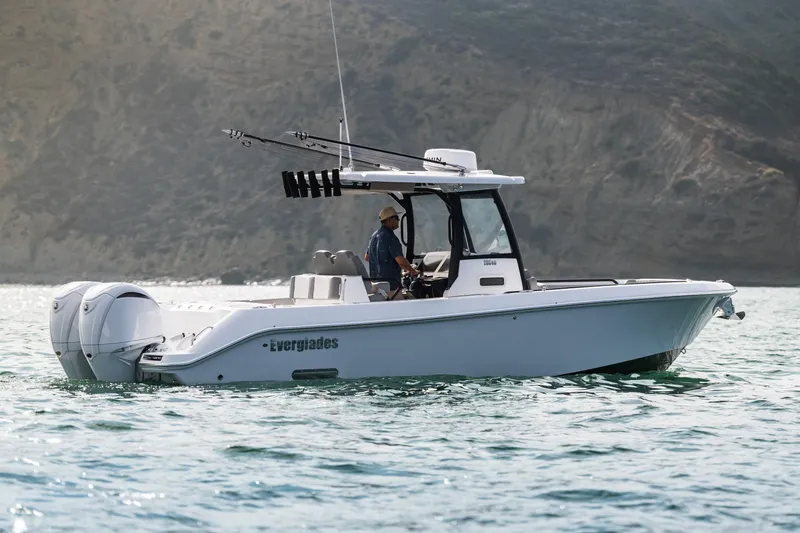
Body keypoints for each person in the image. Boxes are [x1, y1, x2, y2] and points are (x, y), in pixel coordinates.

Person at [364, 206, 419, 294]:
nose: (398, 220)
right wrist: (413, 271)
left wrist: (387, 267)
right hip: (391, 287)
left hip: (377, 287)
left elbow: (367, 257)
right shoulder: (390, 238)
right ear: (390, 220)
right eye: (396, 218)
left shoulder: (374, 236)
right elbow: (402, 262)